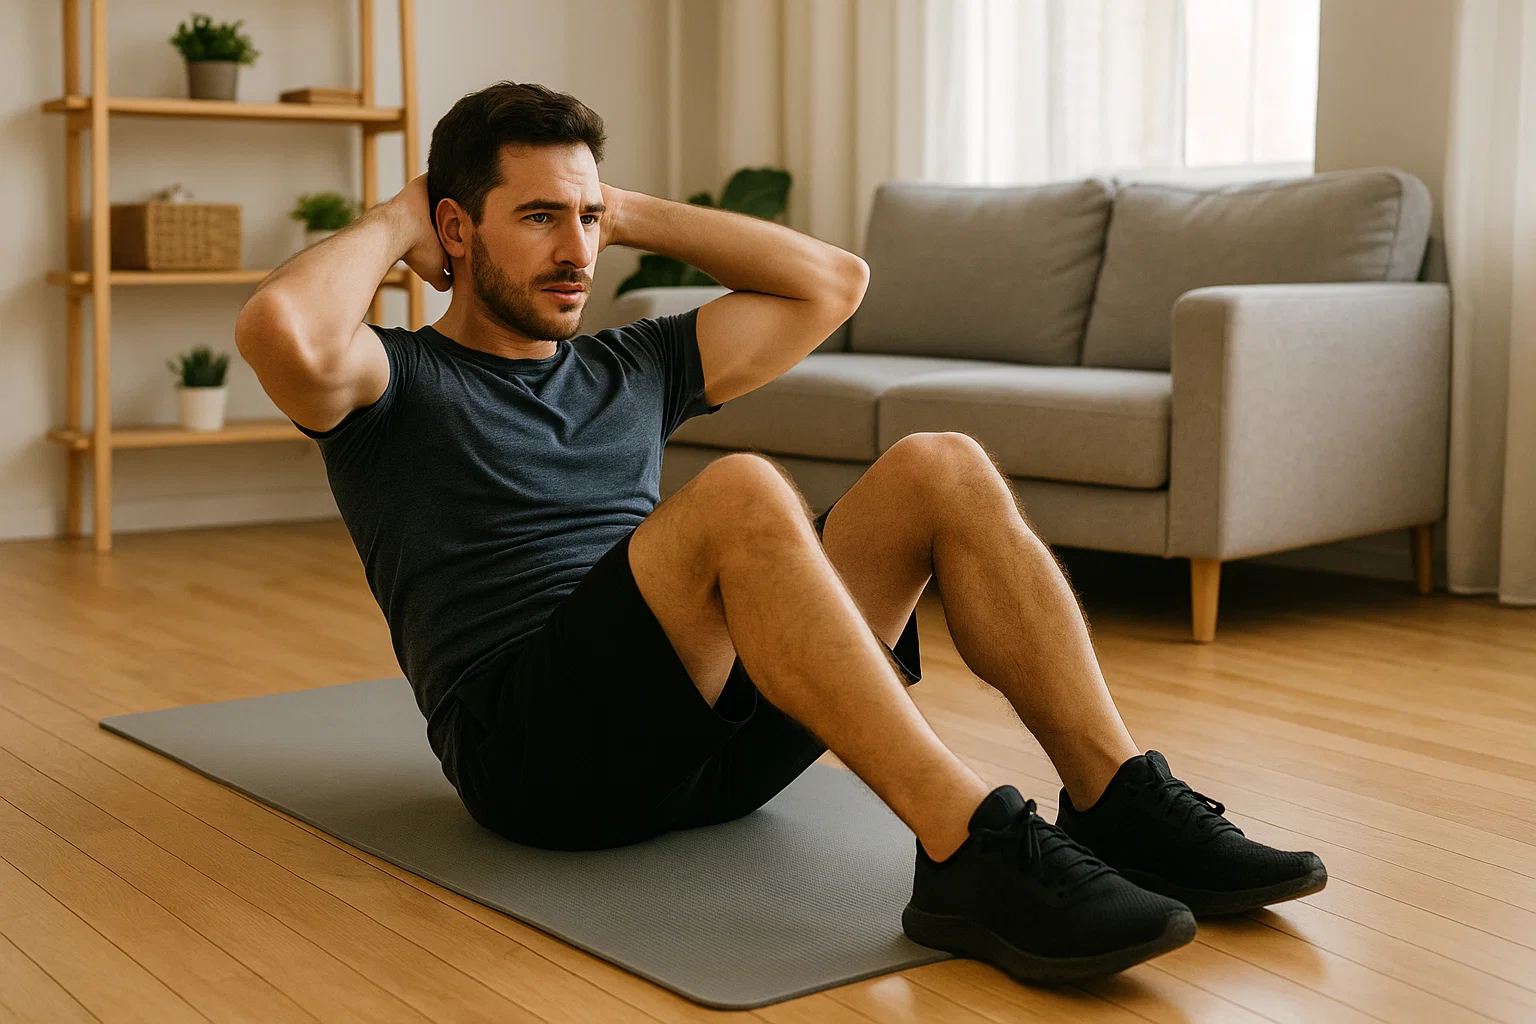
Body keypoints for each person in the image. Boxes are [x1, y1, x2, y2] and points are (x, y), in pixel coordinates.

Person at [234, 80, 1326, 986]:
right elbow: (279, 326)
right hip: (540, 764)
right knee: (742, 490)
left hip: (716, 749)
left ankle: (1114, 796)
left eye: (588, 220)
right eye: (538, 219)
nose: (577, 251)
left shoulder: (630, 364)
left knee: (941, 464)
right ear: (457, 229)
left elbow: (834, 283)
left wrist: (621, 206)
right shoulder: (394, 381)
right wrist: (396, 218)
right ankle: (968, 843)